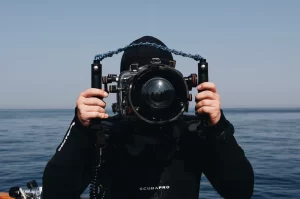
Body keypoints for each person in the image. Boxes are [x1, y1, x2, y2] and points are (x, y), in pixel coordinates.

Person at [42, 36, 254, 199]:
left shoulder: (195, 133)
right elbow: (55, 193)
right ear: (123, 88)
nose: (153, 96)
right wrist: (80, 128)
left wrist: (218, 127)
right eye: (143, 85)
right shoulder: (103, 136)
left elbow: (240, 191)